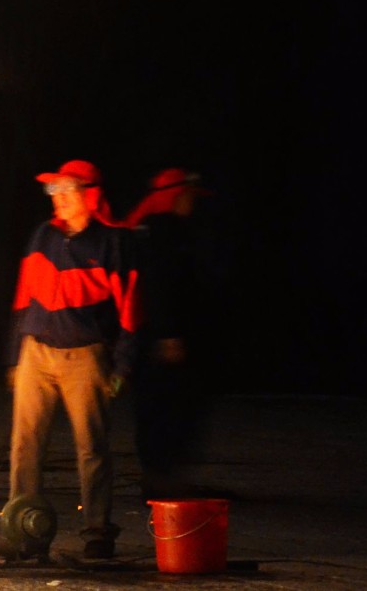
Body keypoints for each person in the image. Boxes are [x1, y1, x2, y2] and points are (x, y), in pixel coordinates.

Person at [5, 158, 140, 561]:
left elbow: (131, 310)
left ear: (90, 195)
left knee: (92, 448)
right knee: (25, 445)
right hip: (37, 352)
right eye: (53, 190)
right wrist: (15, 356)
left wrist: (121, 367)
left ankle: (97, 531)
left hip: (86, 356)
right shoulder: (43, 235)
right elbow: (22, 297)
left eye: (67, 190)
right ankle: (21, 529)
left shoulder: (111, 244)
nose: (57, 198)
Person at [124, 168, 220, 498]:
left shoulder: (147, 230)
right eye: (189, 197)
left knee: (160, 405)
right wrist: (169, 334)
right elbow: (159, 286)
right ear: (176, 195)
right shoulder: (163, 232)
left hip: (150, 335)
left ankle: (161, 476)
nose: (192, 204)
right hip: (160, 338)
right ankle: (161, 479)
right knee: (168, 404)